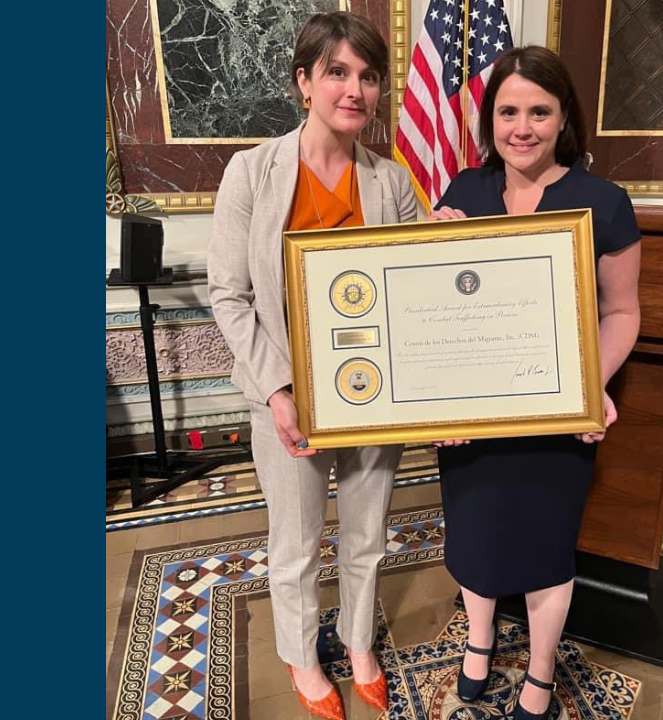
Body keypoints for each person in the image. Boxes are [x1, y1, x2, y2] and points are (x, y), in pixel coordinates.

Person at [207, 12, 421, 720]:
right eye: (337, 72)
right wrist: (277, 388)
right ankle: (303, 658)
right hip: (288, 398)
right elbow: (230, 296)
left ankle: (360, 643)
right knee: (295, 544)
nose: (353, 89)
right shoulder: (252, 171)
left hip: (372, 395)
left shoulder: (391, 184)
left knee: (367, 532)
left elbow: (422, 277)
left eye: (366, 76)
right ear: (304, 81)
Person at [429, 46, 642, 720]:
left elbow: (623, 312)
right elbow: (433, 311)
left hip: (557, 419)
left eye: (539, 111)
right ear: (490, 116)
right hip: (471, 416)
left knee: (547, 547)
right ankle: (479, 643)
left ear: (563, 118)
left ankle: (542, 671)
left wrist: (590, 385)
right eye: (508, 110)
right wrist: (430, 250)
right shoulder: (460, 194)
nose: (521, 126)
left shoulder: (604, 203)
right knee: (474, 537)